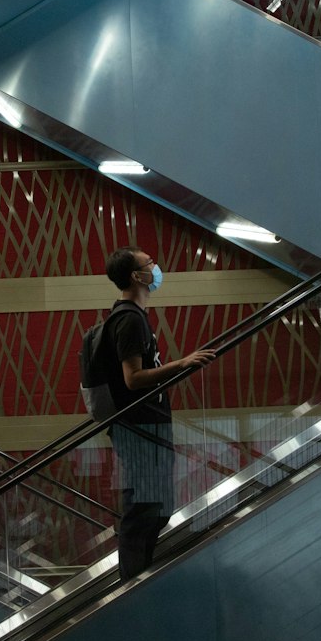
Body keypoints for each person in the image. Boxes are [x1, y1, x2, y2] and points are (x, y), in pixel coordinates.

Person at [103, 246, 216, 580]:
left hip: (146, 427)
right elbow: (133, 378)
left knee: (158, 506)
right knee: (145, 507)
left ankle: (140, 575)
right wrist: (181, 364)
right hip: (140, 428)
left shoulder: (132, 317)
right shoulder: (128, 320)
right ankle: (133, 586)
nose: (155, 267)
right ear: (137, 276)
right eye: (149, 263)